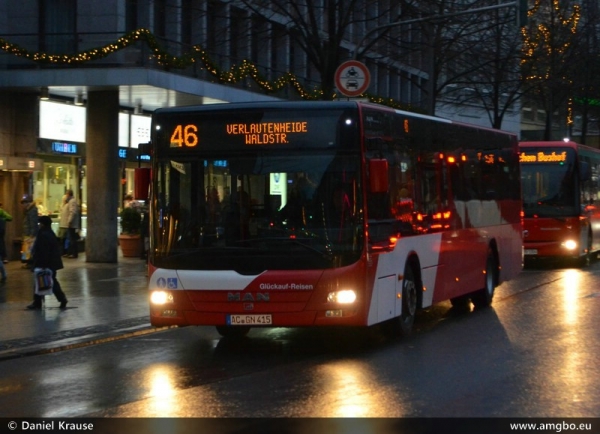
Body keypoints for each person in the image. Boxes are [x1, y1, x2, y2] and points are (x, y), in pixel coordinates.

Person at [26, 215, 68, 310]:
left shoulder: (43, 234)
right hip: (51, 263)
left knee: (41, 282)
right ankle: (61, 299)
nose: (39, 225)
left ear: (43, 224)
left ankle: (38, 302)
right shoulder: (49, 233)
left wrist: (42, 264)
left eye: (40, 223)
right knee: (51, 281)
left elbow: (43, 250)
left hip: (45, 263)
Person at [21, 194, 39, 268]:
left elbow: (33, 223)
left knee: (30, 249)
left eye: (24, 203)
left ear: (28, 203)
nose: (22, 205)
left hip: (30, 233)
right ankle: (28, 263)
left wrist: (32, 234)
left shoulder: (32, 210)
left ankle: (31, 263)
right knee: (27, 249)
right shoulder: (29, 210)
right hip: (27, 232)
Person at [65, 189, 80, 258]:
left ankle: (74, 253)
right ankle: (72, 253)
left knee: (72, 239)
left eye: (66, 194)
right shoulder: (72, 201)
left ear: (68, 194)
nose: (66, 196)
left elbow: (72, 212)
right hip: (72, 223)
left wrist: (69, 221)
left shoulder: (72, 202)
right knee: (72, 238)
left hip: (72, 224)